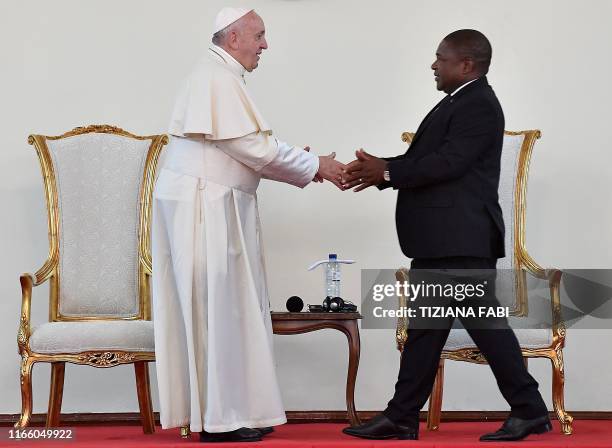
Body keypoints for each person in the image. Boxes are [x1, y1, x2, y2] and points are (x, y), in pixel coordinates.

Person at [341, 29, 551, 442]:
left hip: (461, 239)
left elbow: (449, 163)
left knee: (485, 328)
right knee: (425, 331)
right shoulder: (459, 102)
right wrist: (383, 168)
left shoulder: (479, 105)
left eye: (440, 58)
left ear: (466, 65)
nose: (433, 65)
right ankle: (402, 416)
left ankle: (530, 409)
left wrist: (386, 171)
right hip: (444, 240)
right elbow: (427, 159)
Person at [152, 7, 344, 444]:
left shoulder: (219, 79)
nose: (265, 44)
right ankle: (219, 420)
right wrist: (319, 165)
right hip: (204, 207)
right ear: (233, 36)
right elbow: (254, 148)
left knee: (230, 311)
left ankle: (231, 411)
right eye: (259, 35)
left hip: (215, 203)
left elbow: (252, 148)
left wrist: (304, 163)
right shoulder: (214, 79)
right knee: (217, 311)